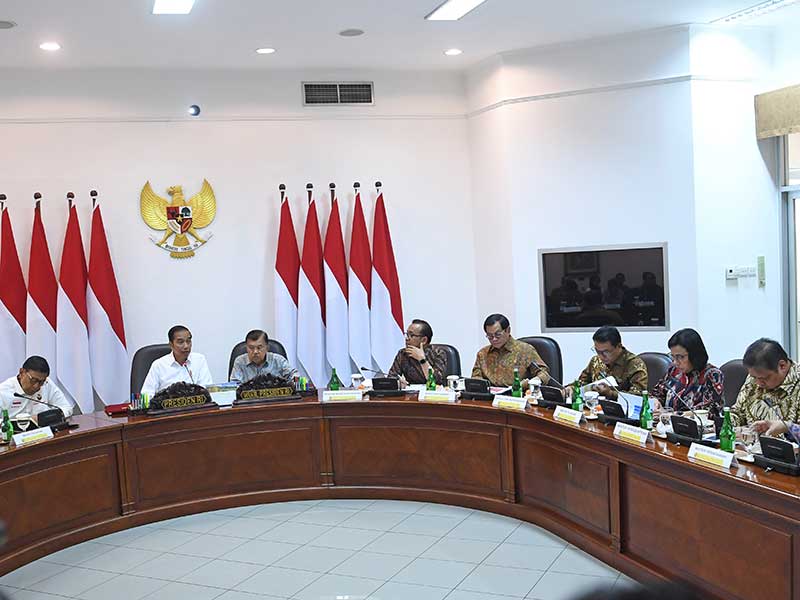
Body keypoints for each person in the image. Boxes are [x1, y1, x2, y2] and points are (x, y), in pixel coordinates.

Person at [651, 328, 724, 417]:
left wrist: (672, 415)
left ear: (694, 355)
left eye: (680, 357)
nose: (675, 362)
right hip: (666, 426)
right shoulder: (674, 370)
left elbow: (710, 411)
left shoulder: (712, 375)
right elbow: (656, 393)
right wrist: (656, 402)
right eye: (673, 356)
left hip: (696, 428)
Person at [732, 338, 800, 431]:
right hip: (749, 443)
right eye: (754, 377)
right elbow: (737, 413)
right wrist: (726, 424)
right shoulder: (756, 376)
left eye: (764, 378)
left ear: (782, 366)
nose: (758, 383)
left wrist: (788, 428)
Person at [566, 326, 647, 400]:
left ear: (619, 346)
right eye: (597, 351)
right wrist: (572, 388)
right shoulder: (596, 360)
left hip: (621, 412)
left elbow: (638, 397)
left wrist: (611, 394)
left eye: (606, 352)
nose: (601, 356)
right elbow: (583, 382)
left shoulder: (635, 365)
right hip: (594, 407)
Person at [471, 314, 550, 387]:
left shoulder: (525, 350)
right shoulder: (483, 354)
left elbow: (544, 374)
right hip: (490, 398)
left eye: (498, 334)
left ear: (508, 330)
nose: (494, 339)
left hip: (517, 396)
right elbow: (476, 378)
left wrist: (532, 382)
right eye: (490, 336)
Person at [140, 325, 213, 396]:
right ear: (171, 345)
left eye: (188, 341)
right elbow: (147, 394)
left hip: (196, 406)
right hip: (168, 407)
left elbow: (207, 389)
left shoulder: (199, 360)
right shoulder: (159, 365)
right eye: (180, 342)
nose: (186, 346)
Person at [0, 356, 74, 419]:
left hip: (44, 432)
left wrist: (44, 418)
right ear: (21, 372)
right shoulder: (3, 391)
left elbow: (67, 408)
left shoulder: (47, 384)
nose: (37, 386)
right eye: (33, 380)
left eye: (41, 382)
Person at [388, 319, 447, 385]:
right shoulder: (403, 353)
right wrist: (398, 383)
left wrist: (422, 360)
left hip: (433, 393)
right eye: (407, 334)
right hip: (411, 393)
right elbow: (391, 377)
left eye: (411, 335)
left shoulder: (438, 353)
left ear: (424, 340)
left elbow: (437, 381)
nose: (407, 338)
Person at [230, 329, 297, 383]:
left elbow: (294, 375)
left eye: (259, 347)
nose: (255, 352)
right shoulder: (240, 362)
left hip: (275, 398)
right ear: (246, 348)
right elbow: (234, 386)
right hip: (249, 399)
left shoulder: (278, 360)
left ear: (267, 348)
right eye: (251, 348)